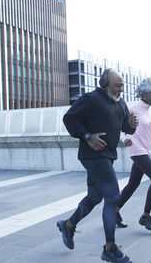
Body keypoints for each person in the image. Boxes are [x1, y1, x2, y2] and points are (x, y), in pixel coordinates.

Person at [58, 68, 138, 263]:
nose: (120, 89)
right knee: (113, 197)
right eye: (117, 85)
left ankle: (68, 225)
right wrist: (87, 137)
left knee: (95, 196)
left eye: (122, 86)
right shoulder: (91, 99)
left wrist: (132, 124)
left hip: (107, 155)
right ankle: (109, 248)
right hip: (93, 155)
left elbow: (126, 128)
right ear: (105, 83)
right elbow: (69, 118)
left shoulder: (120, 103)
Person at [116, 78, 151, 231]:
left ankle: (114, 211)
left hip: (146, 150)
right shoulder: (133, 109)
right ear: (144, 94)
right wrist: (125, 138)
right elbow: (121, 128)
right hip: (136, 149)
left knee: (133, 184)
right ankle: (145, 216)